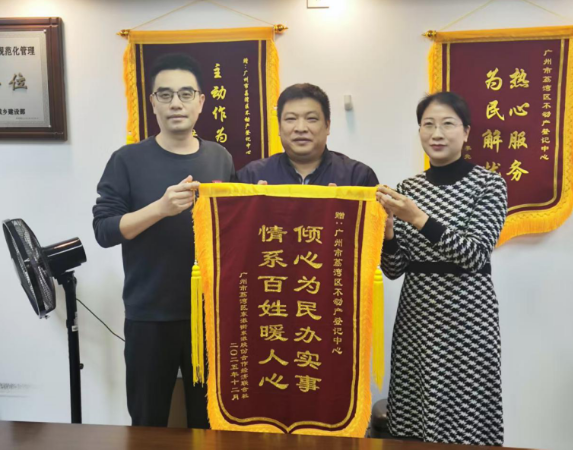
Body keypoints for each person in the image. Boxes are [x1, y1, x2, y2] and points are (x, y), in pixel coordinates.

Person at [93, 53, 235, 429]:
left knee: (210, 422)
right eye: (166, 94)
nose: (176, 103)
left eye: (186, 94)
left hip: (209, 315)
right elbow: (104, 230)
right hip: (149, 315)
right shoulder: (127, 160)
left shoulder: (220, 158)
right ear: (152, 102)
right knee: (147, 421)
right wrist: (160, 208)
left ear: (201, 101)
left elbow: (235, 229)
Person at [376, 91, 507, 446]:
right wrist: (388, 232)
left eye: (448, 124)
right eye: (428, 124)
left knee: (465, 417)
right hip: (417, 320)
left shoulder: (489, 184)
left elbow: (474, 255)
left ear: (466, 132)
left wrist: (417, 218)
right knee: (415, 414)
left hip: (468, 321)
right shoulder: (408, 188)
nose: (437, 133)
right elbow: (394, 269)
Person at [237, 83, 378, 186]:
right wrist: (254, 207)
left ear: (327, 126)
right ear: (279, 127)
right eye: (291, 119)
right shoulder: (251, 177)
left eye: (311, 119)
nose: (301, 128)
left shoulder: (357, 177)